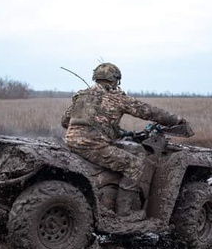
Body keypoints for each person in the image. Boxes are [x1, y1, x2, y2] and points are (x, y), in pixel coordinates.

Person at [61, 62, 184, 217]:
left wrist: (108, 129)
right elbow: (147, 111)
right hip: (93, 146)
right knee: (135, 165)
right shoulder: (117, 98)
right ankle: (125, 213)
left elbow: (65, 122)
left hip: (71, 142)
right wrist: (175, 120)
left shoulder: (81, 96)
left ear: (96, 78)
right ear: (115, 80)